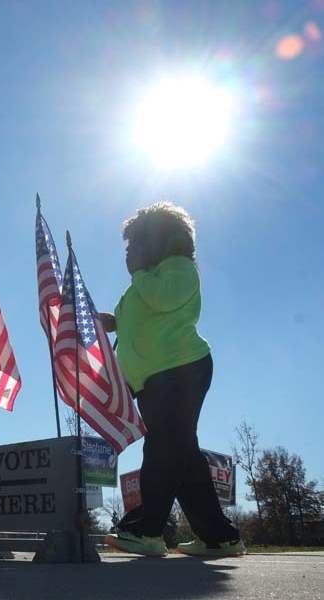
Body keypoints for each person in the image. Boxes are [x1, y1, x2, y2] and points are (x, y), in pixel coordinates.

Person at [101, 202, 245, 558]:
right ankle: (218, 537)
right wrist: (113, 322)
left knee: (164, 446)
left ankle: (147, 530)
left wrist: (137, 273)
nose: (129, 252)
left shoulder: (179, 268)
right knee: (182, 453)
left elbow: (165, 299)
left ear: (160, 240)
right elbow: (147, 315)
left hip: (181, 369)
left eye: (135, 243)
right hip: (156, 378)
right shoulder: (146, 279)